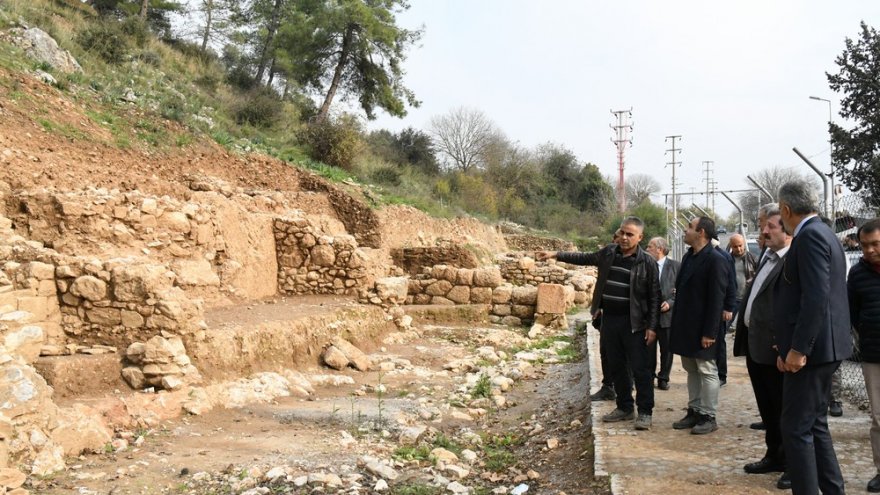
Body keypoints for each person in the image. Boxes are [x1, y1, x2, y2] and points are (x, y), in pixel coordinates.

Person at [537, 217, 660, 430]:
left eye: (629, 234)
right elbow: (583, 257)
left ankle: (645, 412)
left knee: (641, 369)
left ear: (640, 237)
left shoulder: (647, 262)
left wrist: (652, 327)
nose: (623, 237)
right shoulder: (608, 253)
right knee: (617, 366)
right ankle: (624, 407)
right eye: (622, 232)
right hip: (610, 320)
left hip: (635, 323)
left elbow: (654, 298)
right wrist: (556, 254)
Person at [775, 180, 852, 495]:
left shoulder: (809, 237)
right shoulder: (823, 233)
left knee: (795, 428)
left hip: (813, 351)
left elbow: (817, 297)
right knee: (814, 424)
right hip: (822, 347)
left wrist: (797, 348)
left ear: (786, 209)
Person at [733, 204, 791, 488]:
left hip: (777, 350)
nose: (763, 231)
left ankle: (794, 464)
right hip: (757, 347)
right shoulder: (767, 256)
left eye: (770, 226)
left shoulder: (791, 260)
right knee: (768, 409)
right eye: (763, 225)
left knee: (784, 410)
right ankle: (774, 455)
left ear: (788, 231)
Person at [670, 216, 728, 434]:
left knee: (707, 370)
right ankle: (694, 410)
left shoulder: (716, 259)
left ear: (701, 232)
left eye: (689, 227)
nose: (685, 231)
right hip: (686, 326)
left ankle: (708, 415)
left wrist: (710, 332)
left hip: (704, 328)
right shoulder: (689, 256)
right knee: (691, 368)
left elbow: (716, 299)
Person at [848, 218, 880, 493]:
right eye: (865, 245)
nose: (869, 250)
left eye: (875, 244)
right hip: (873, 354)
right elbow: (853, 313)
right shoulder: (857, 274)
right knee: (879, 416)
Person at [590, 231, 622, 402]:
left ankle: (623, 388)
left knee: (623, 355)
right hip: (607, 316)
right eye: (616, 238)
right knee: (605, 352)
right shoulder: (608, 257)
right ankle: (608, 386)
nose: (616, 242)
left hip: (626, 319)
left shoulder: (639, 261)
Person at [645, 237, 680, 391]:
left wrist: (671, 302)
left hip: (667, 317)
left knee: (667, 350)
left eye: (650, 246)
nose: (647, 249)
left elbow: (682, 290)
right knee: (648, 349)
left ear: (659, 249)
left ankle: (663, 377)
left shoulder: (676, 267)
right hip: (649, 317)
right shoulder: (644, 266)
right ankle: (649, 376)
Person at [713, 238, 737, 386]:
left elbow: (731, 283)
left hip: (720, 308)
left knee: (719, 342)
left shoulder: (723, 257)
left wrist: (728, 307)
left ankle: (721, 375)